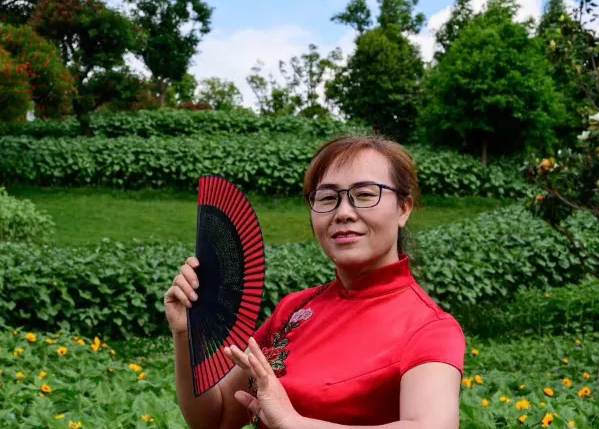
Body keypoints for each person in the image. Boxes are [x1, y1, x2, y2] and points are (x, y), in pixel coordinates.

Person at [164, 135, 465, 429]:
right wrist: (187, 334)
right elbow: (216, 420)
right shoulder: (293, 310)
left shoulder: (429, 328)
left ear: (403, 208)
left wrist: (293, 423)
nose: (343, 213)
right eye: (327, 198)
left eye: (364, 194)